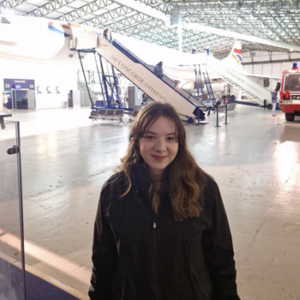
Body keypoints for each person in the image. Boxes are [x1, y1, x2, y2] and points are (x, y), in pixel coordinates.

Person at [89, 102, 240, 300]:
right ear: (137, 140)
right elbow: (103, 258)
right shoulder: (114, 190)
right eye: (150, 137)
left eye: (170, 138)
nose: (161, 147)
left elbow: (221, 258)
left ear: (180, 142)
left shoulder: (204, 189)